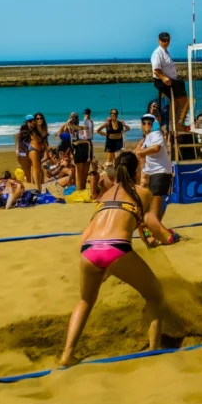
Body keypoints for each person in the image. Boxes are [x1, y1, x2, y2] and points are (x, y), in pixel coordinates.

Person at [60, 150, 165, 367]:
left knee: (85, 301)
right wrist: (164, 238)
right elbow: (150, 226)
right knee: (155, 295)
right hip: (116, 248)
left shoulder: (104, 196)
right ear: (136, 171)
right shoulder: (142, 193)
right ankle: (155, 350)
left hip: (88, 251)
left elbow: (86, 235)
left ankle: (67, 355)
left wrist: (99, 264)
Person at [134, 113, 177, 246]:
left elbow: (156, 148)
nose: (146, 125)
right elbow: (138, 152)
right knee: (150, 209)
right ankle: (153, 233)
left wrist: (140, 152)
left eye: (149, 123)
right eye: (144, 122)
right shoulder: (147, 138)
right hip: (152, 174)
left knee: (155, 208)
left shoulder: (156, 134)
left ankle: (157, 234)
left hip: (160, 172)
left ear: (153, 125)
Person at [151, 32, 189, 131]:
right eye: (164, 40)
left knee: (177, 101)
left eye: (168, 40)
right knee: (185, 101)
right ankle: (179, 122)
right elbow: (156, 70)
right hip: (162, 81)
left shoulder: (166, 52)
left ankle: (175, 122)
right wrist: (164, 78)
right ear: (159, 40)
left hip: (170, 80)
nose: (166, 42)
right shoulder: (157, 53)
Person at [29, 112, 50, 190]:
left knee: (39, 170)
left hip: (40, 150)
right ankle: (37, 189)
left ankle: (39, 188)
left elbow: (45, 142)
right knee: (36, 170)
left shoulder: (44, 129)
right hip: (33, 149)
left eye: (41, 118)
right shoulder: (34, 128)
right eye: (37, 118)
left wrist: (47, 150)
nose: (39, 120)